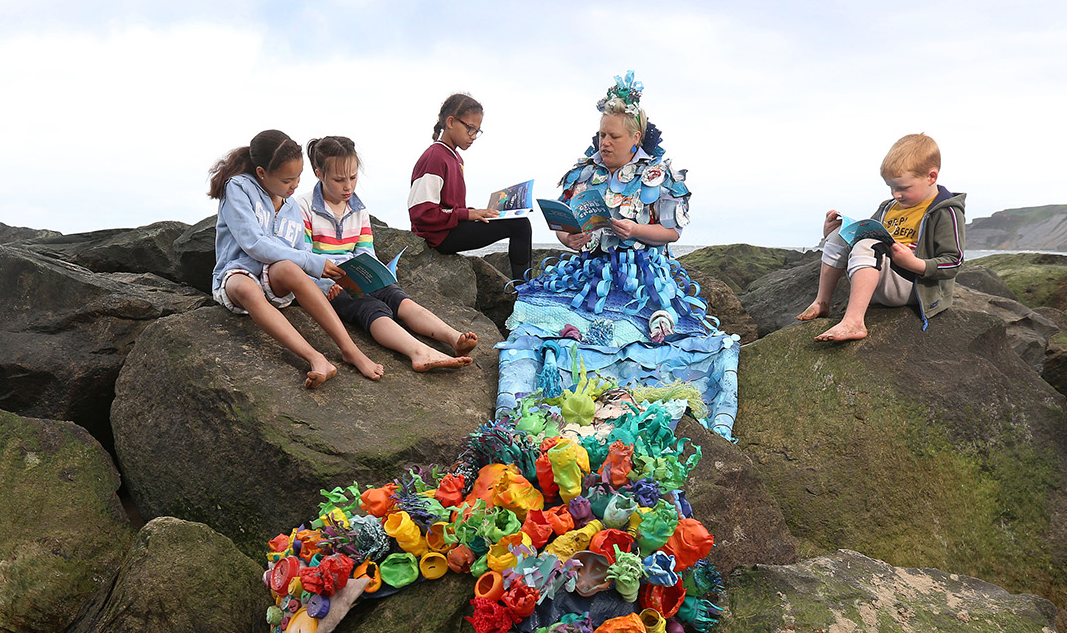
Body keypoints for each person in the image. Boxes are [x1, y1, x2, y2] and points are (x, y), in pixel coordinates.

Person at [496, 72, 740, 438]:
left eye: (614, 136)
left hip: (640, 275)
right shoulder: (584, 171)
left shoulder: (659, 174)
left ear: (635, 138)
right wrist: (570, 238)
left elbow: (672, 232)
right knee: (537, 325)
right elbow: (563, 226)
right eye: (601, 135)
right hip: (587, 270)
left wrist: (636, 231)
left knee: (644, 340)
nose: (605, 142)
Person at [209, 129, 384, 388]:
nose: (295, 185)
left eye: (299, 177)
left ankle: (351, 351)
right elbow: (254, 244)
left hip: (274, 278)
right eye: (287, 179)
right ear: (262, 173)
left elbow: (301, 251)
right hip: (238, 271)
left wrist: (326, 283)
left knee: (291, 269)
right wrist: (312, 263)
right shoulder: (238, 188)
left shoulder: (290, 205)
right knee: (246, 287)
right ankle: (316, 358)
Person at [301, 135, 477, 372]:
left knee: (398, 298)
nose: (348, 186)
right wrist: (325, 283)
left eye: (353, 177)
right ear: (319, 174)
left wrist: (377, 272)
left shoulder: (358, 209)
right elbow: (302, 256)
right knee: (371, 308)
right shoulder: (304, 207)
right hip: (329, 285)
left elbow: (365, 251)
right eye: (339, 180)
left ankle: (453, 337)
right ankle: (419, 353)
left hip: (356, 275)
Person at [797, 133, 967, 342]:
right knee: (840, 235)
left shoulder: (945, 211)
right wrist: (832, 233)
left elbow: (954, 262)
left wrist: (914, 263)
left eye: (903, 188)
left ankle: (854, 322)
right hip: (879, 278)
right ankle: (822, 302)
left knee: (869, 245)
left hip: (914, 286)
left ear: (931, 177)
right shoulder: (889, 207)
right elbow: (865, 233)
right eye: (891, 187)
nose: (896, 194)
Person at [408, 93, 533, 282]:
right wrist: (467, 214)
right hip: (438, 236)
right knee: (520, 225)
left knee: (516, 218)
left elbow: (450, 208)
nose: (473, 136)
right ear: (451, 122)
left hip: (449, 227)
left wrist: (475, 213)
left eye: (477, 131)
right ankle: (523, 287)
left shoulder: (455, 157)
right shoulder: (435, 157)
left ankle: (524, 285)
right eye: (470, 129)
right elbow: (421, 213)